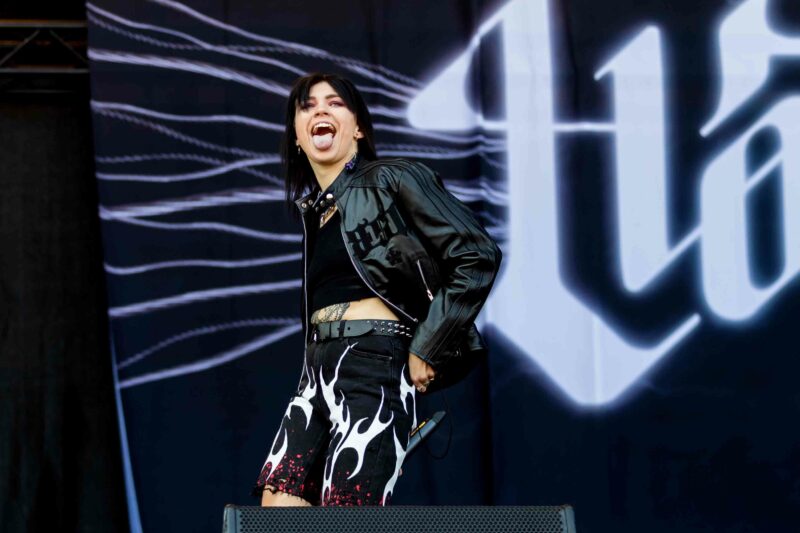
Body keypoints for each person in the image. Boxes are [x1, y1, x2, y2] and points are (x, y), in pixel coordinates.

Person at [253, 72, 501, 507]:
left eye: (335, 103)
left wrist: (430, 343)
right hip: (316, 371)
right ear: (296, 136)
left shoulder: (393, 178)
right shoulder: (314, 216)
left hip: (374, 361)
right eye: (307, 106)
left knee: (347, 512)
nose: (320, 110)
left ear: (359, 129)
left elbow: (476, 254)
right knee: (276, 505)